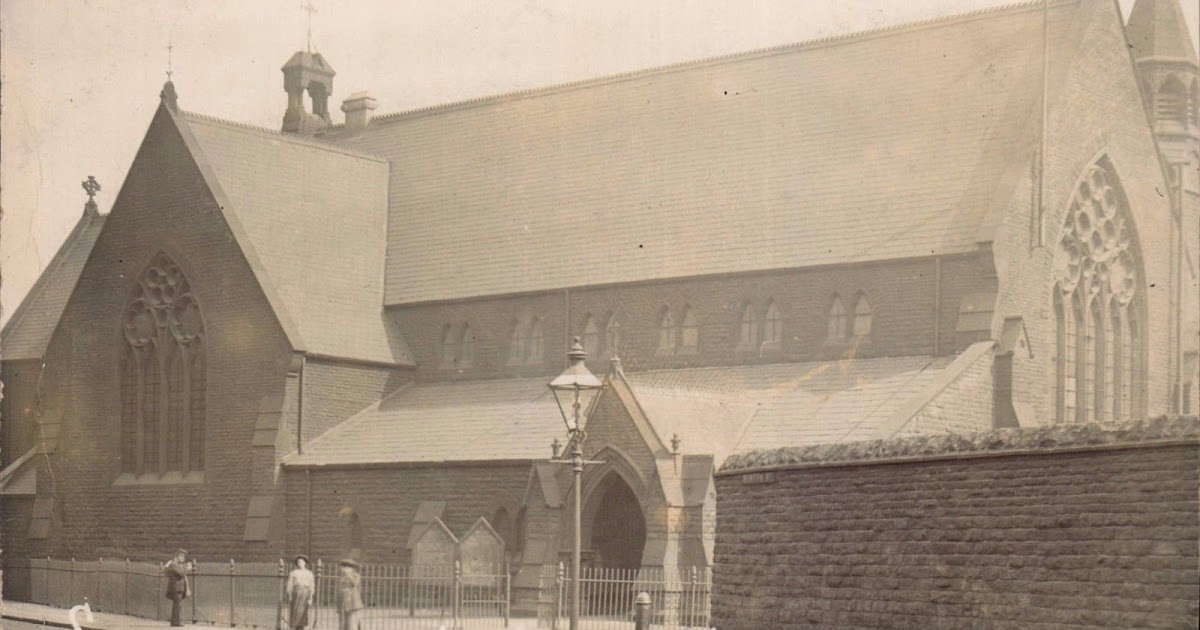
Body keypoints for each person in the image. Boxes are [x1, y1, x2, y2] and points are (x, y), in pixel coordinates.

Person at [285, 555, 315, 630]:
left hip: (305, 593)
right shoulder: (293, 573)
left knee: (303, 611)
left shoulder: (309, 573)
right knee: (295, 610)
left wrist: (310, 598)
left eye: (301, 562)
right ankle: (295, 626)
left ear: (305, 563)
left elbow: (312, 586)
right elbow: (289, 585)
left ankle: (302, 627)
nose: (300, 563)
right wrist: (290, 596)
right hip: (296, 593)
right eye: (298, 562)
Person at [162, 549, 190, 627]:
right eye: (182, 557)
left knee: (177, 605)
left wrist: (185, 567)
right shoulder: (174, 564)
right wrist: (187, 568)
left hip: (178, 587)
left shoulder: (177, 564)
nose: (184, 559)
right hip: (176, 587)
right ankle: (176, 622)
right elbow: (181, 574)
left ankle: (176, 621)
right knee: (177, 605)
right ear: (178, 556)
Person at [337, 558, 365, 630]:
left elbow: (354, 583)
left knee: (351, 624)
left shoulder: (356, 575)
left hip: (353, 603)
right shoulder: (342, 577)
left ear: (352, 568)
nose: (344, 569)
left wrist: (349, 575)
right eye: (343, 567)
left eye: (347, 567)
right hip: (343, 603)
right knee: (343, 624)